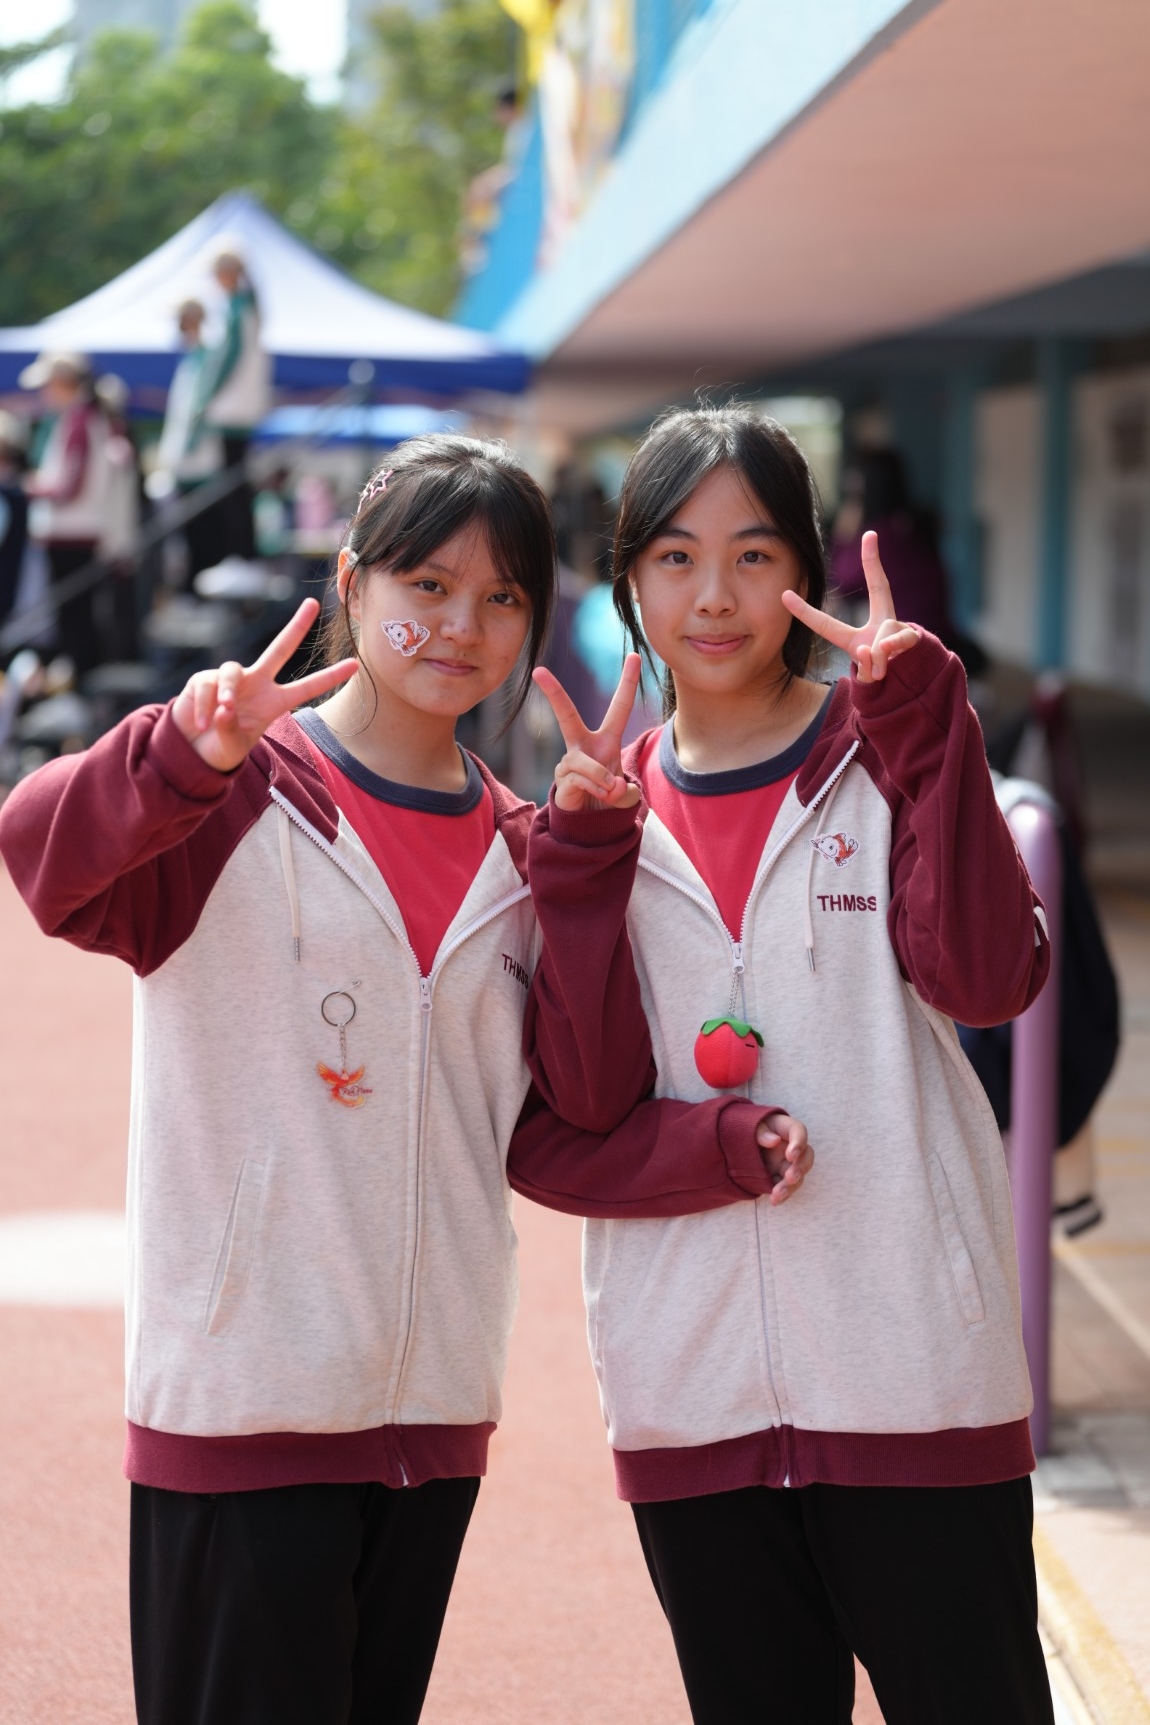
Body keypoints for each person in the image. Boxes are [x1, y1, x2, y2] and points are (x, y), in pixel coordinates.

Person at [0, 432, 812, 1725]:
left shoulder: (520, 851)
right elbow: (43, 858)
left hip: (430, 1421)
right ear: (352, 581)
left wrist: (718, 1142)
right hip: (243, 1409)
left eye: (501, 596)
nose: (462, 626)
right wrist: (179, 753)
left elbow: (552, 1124)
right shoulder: (234, 795)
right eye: (426, 585)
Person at [524, 404, 1055, 1725]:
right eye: (675, 558)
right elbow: (581, 1105)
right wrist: (578, 869)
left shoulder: (884, 752)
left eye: (753, 556)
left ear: (807, 573)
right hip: (689, 1392)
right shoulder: (599, 810)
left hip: (914, 1375)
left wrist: (931, 730)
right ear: (627, 579)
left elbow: (987, 978)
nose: (714, 597)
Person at [19, 350, 110, 679]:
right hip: (72, 531)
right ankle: (78, 678)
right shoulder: (81, 417)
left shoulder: (80, 419)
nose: (44, 392)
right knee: (74, 614)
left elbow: (68, 486)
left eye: (49, 384)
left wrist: (30, 487)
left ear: (63, 382)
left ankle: (80, 679)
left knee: (74, 615)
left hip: (72, 534)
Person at [191, 246, 271, 561]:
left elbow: (228, 359)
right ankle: (242, 553)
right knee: (237, 484)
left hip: (232, 408)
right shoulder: (246, 306)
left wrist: (206, 397)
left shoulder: (238, 309)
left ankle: (242, 554)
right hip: (240, 406)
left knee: (233, 486)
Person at [154, 297, 228, 579]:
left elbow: (199, 409)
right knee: (191, 533)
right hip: (186, 465)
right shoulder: (192, 359)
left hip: (200, 464)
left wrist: (190, 444)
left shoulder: (207, 358)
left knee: (204, 531)